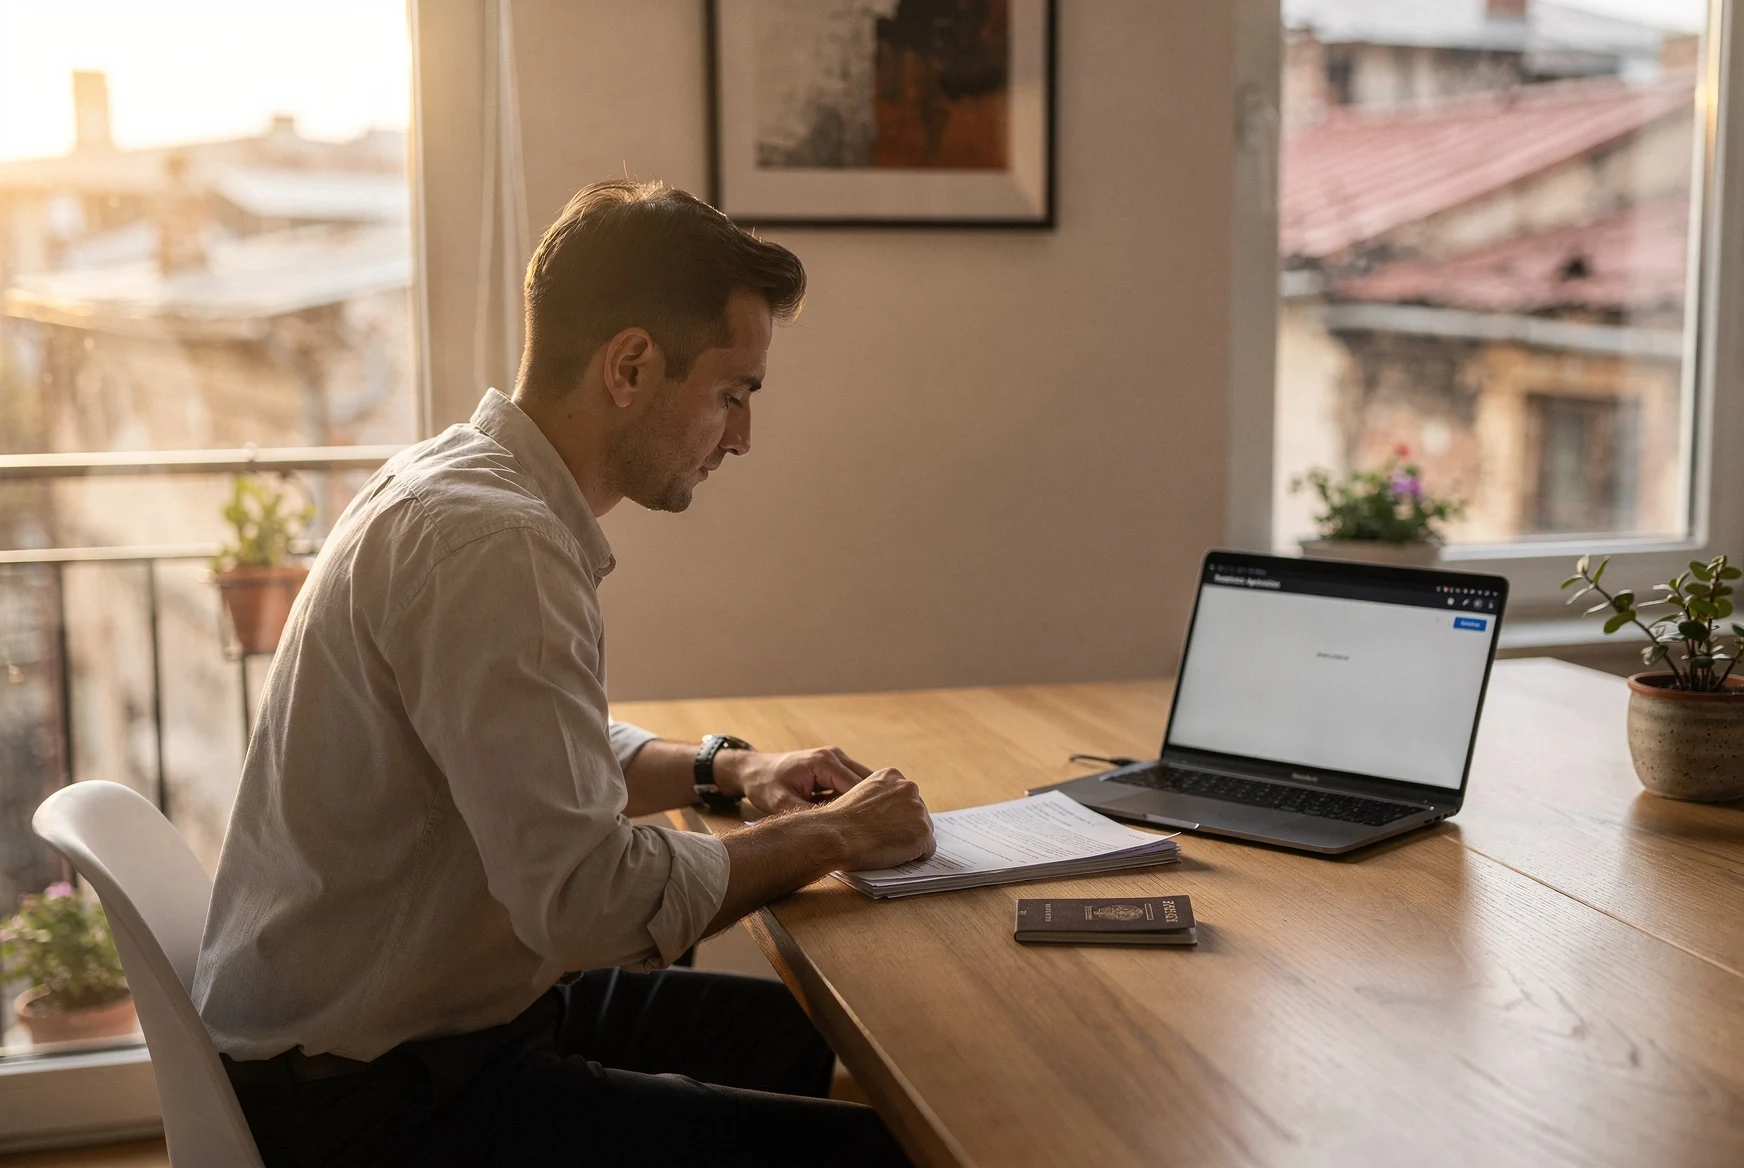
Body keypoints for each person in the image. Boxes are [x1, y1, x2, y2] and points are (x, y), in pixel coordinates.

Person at [193, 179, 935, 1167]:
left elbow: (533, 757)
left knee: (804, 1037)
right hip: (375, 1100)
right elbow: (586, 895)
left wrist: (723, 769)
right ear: (631, 365)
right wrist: (834, 831)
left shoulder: (459, 484)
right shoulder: (491, 544)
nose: (743, 436)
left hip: (406, 1022)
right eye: (732, 393)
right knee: (882, 1151)